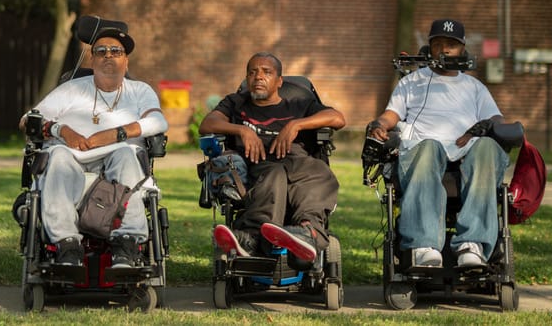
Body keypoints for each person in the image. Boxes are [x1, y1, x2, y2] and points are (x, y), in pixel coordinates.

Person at [366, 19, 507, 269]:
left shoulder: (475, 87)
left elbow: (496, 118)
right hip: (423, 151)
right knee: (429, 146)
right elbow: (391, 115)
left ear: (462, 49)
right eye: (438, 44)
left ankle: (471, 246)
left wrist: (490, 126)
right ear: (429, 48)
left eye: (451, 45)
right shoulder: (411, 82)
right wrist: (380, 124)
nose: (444, 50)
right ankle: (424, 246)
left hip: (467, 152)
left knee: (487, 147)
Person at [22, 27, 168, 268]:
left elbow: (158, 121)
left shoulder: (140, 90)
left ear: (126, 60)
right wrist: (62, 130)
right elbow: (28, 119)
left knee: (126, 154)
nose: (108, 55)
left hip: (119, 157)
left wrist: (115, 134)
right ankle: (67, 245)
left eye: (115, 51)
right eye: (101, 51)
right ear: (92, 59)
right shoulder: (72, 88)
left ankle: (127, 244)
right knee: (56, 155)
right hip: (70, 157)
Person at [199, 52, 345, 264]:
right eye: (252, 72)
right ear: (247, 79)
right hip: (258, 164)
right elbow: (208, 124)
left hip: (298, 162)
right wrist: (242, 130)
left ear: (279, 82)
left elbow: (338, 118)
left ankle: (307, 234)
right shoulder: (236, 103)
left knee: (319, 171)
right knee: (274, 174)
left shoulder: (299, 103)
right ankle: (253, 237)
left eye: (266, 72)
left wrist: (296, 124)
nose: (258, 77)